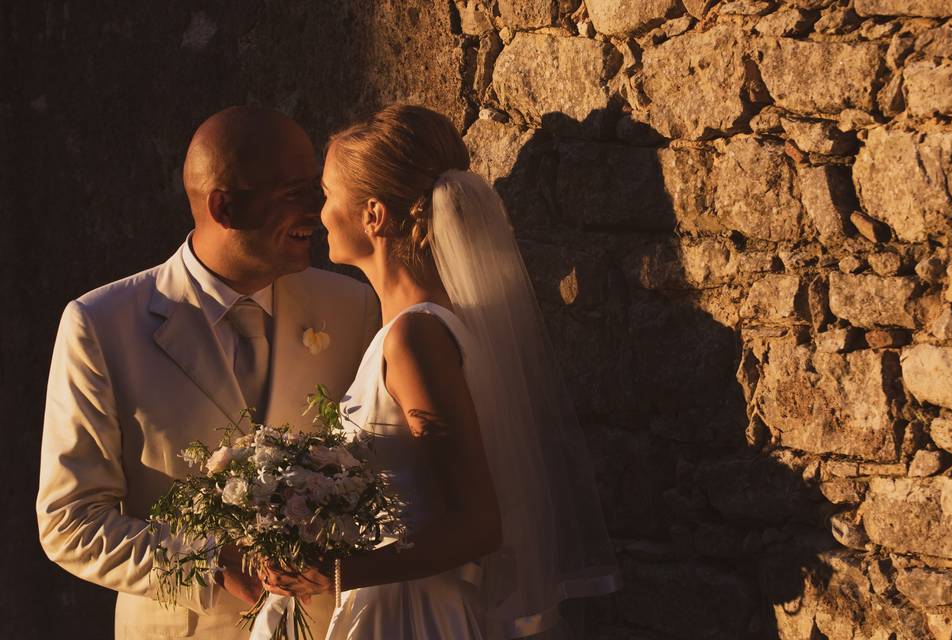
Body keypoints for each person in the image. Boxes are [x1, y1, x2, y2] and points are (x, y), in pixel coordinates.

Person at [260, 104, 620, 639]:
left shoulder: (415, 338)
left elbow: (478, 524)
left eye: (328, 192)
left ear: (373, 216)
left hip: (416, 616)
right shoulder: (426, 327)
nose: (319, 208)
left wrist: (335, 573)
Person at [36, 106, 380, 639]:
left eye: (318, 188)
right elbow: (70, 522)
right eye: (297, 193)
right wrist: (209, 561)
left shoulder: (354, 306)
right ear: (224, 205)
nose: (321, 208)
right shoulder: (101, 326)